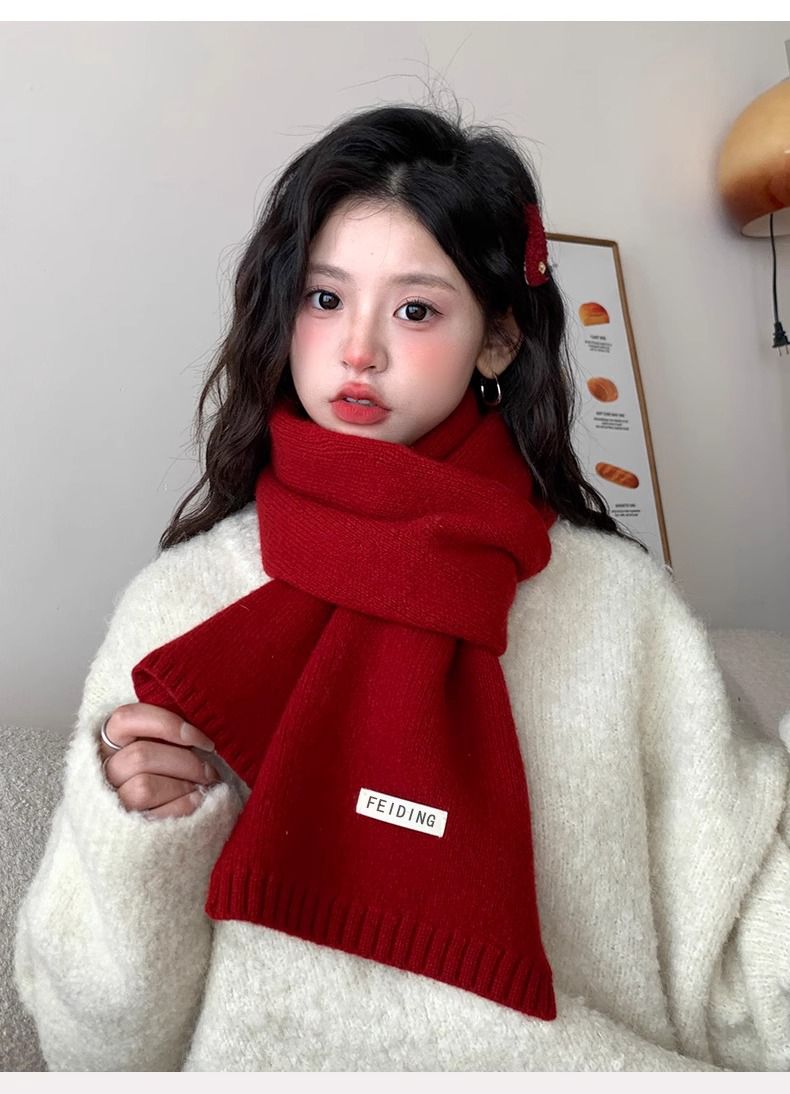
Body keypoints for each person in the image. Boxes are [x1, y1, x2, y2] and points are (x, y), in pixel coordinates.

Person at [13, 100, 790, 1073]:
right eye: (323, 297)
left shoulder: (621, 609)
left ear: (496, 340)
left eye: (415, 310)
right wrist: (142, 836)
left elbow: (742, 972)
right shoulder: (184, 601)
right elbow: (94, 1050)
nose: (358, 350)